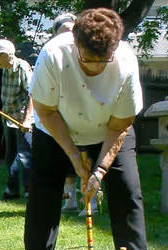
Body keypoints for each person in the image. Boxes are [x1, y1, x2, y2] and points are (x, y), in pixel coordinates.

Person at [15, 8, 148, 250]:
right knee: (42, 193)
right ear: (76, 44)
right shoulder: (52, 55)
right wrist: (74, 156)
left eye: (103, 61)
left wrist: (100, 170)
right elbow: (46, 111)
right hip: (56, 127)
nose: (95, 69)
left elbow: (120, 124)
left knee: (127, 192)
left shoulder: (124, 62)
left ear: (114, 50)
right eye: (88, 59)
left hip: (109, 128)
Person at [51, 13, 98, 216]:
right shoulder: (54, 59)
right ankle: (70, 202)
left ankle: (91, 202)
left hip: (89, 119)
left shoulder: (91, 55)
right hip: (64, 119)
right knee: (68, 161)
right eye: (62, 34)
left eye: (71, 32)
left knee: (88, 161)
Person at [0, 39, 34, 200]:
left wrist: (27, 120)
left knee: (24, 157)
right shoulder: (5, 69)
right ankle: (13, 191)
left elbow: (32, 94)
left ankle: (29, 191)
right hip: (8, 119)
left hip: (22, 120)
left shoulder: (23, 67)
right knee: (10, 157)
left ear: (7, 55)